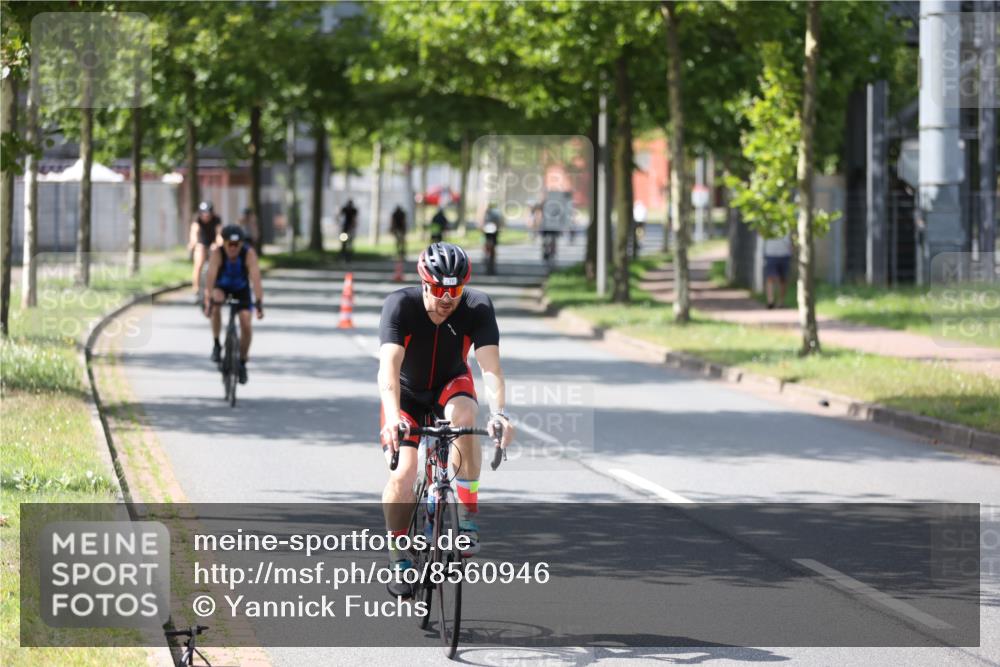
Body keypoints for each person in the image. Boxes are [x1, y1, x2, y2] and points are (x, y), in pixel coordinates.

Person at [377, 242, 515, 598]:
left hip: (449, 385)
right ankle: (398, 557)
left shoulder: (477, 306)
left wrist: (499, 413)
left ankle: (467, 515)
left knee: (467, 417)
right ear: (424, 284)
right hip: (406, 395)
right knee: (403, 474)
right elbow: (388, 370)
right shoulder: (400, 306)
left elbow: (491, 369)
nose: (447, 298)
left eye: (455, 290)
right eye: (439, 289)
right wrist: (393, 418)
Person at [204, 225, 264, 384]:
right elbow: (210, 277)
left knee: (246, 323)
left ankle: (242, 362)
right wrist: (208, 300)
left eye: (236, 245)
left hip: (241, 289)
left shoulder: (248, 253)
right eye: (229, 244)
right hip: (222, 287)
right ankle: (217, 344)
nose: (233, 248)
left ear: (241, 244)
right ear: (223, 243)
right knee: (216, 302)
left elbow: (256, 278)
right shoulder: (218, 253)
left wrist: (258, 302)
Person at [188, 201, 221, 303]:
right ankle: (196, 290)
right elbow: (194, 232)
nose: (205, 216)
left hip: (212, 243)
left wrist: (218, 243)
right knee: (198, 265)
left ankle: (215, 287)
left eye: (207, 213)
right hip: (201, 243)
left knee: (215, 264)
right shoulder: (197, 219)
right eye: (203, 213)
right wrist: (193, 243)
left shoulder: (216, 219)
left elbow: (219, 234)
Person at [763, 233, 793, 309]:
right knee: (770, 278)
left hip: (785, 253)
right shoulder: (768, 223)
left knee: (783, 279)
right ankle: (770, 301)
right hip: (771, 253)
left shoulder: (788, 222)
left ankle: (781, 302)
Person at [481, 202, 503, 275]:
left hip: (491, 233)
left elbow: (499, 223)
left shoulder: (493, 214)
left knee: (491, 249)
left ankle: (490, 261)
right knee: (488, 248)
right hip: (489, 233)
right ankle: (487, 259)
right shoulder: (488, 214)